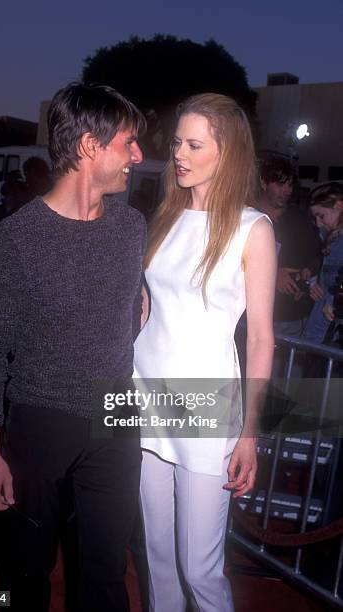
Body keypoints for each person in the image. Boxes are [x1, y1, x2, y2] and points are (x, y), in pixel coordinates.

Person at [0, 82, 146, 612]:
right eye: (128, 143)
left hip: (115, 415)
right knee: (27, 573)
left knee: (106, 575)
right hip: (40, 416)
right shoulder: (15, 239)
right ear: (91, 146)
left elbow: (126, 312)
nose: (138, 155)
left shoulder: (132, 227)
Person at [134, 94, 276, 611]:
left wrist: (250, 432)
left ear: (228, 152)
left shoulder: (252, 228)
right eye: (176, 142)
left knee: (199, 568)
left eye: (194, 145)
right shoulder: (165, 217)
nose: (179, 155)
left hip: (205, 406)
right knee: (157, 560)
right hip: (145, 396)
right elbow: (148, 313)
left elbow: (261, 337)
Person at [257, 155, 322, 337]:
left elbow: (318, 256)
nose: (286, 191)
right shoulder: (248, 217)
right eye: (280, 184)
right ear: (264, 183)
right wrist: (274, 273)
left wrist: (308, 272)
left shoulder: (300, 219)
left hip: (293, 317)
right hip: (253, 314)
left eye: (290, 185)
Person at [302, 182, 343, 345]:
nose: (318, 223)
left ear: (339, 206)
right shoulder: (333, 239)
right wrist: (315, 285)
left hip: (332, 336)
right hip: (320, 332)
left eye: (322, 216)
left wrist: (336, 302)